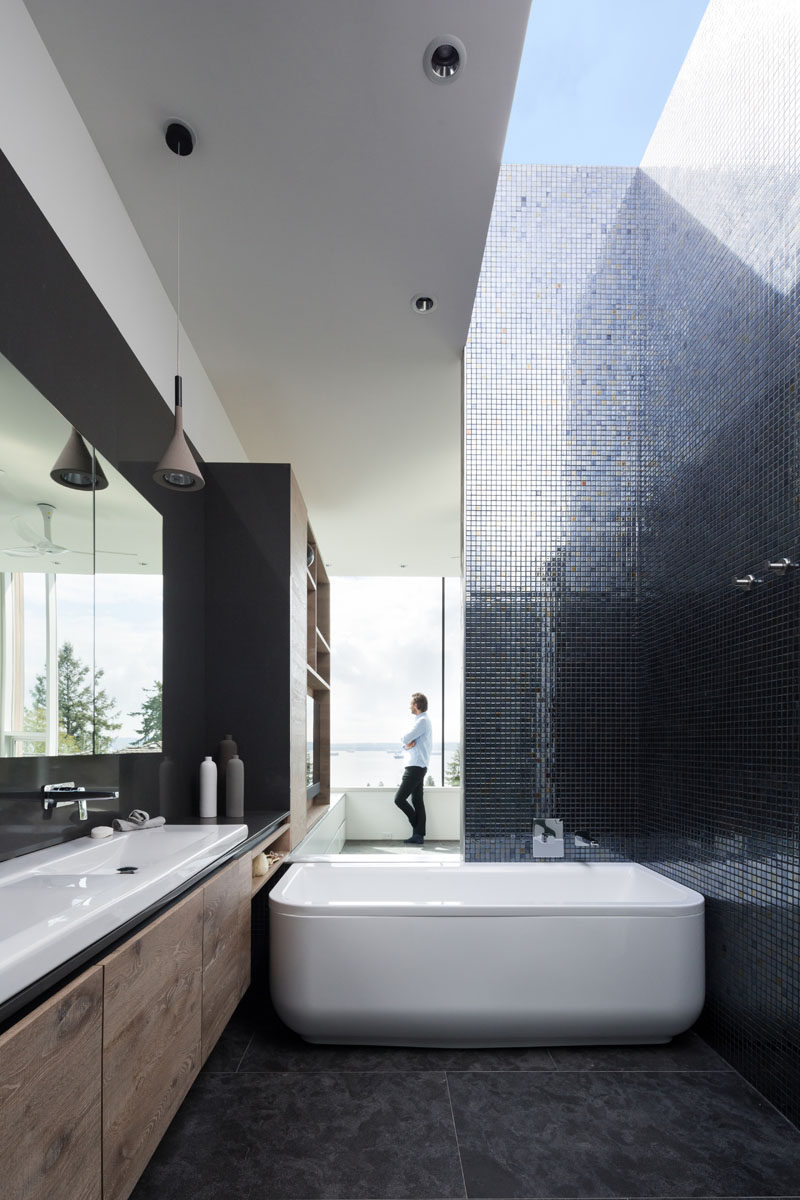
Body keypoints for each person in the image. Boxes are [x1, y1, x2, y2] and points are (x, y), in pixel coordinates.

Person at [393, 692, 432, 845]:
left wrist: (405, 743)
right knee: (417, 800)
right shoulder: (422, 721)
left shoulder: (422, 721)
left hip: (415, 765)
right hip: (419, 765)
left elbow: (405, 738)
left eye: (411, 704)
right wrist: (406, 745)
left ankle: (418, 828)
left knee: (399, 799)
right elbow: (407, 743)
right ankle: (418, 835)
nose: (409, 706)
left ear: (416, 705)